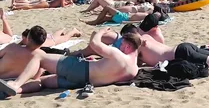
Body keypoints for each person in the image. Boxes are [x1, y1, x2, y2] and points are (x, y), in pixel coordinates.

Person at [0, 28, 142, 96]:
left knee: (39, 57)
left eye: (122, 43)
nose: (119, 45)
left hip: (79, 69)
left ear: (129, 46)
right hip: (84, 82)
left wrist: (99, 32)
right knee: (43, 82)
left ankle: (16, 84)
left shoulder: (119, 55)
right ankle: (16, 91)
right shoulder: (133, 70)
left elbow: (94, 43)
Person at [80, 5, 152, 25]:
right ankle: (90, 22)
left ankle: (94, 22)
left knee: (107, 8)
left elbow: (137, 22)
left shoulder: (146, 15)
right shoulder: (145, 15)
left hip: (123, 17)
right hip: (123, 17)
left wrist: (124, 22)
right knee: (104, 18)